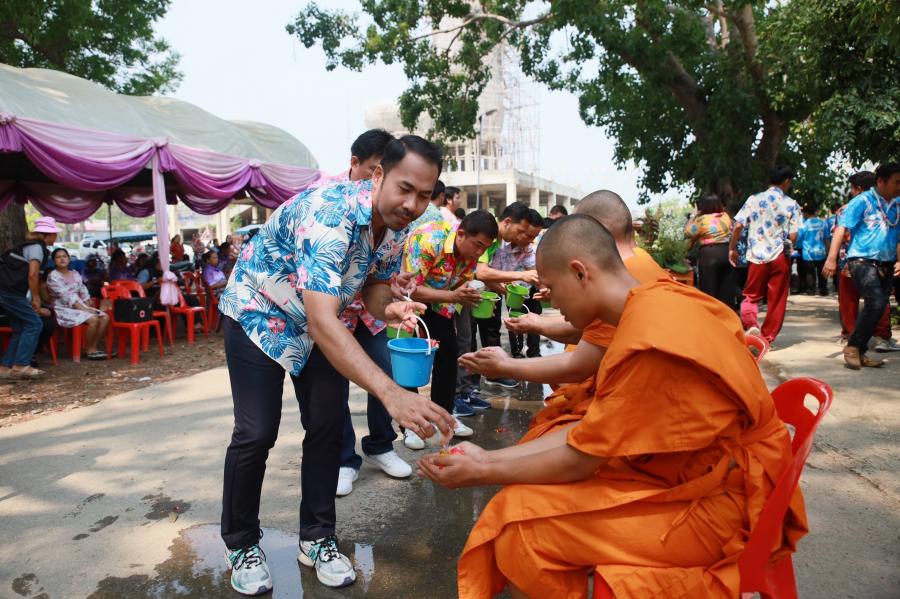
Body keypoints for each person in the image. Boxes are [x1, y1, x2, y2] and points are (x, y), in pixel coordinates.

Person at [420, 215, 806, 599]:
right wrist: (487, 459)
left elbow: (582, 457)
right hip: (690, 470)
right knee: (522, 495)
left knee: (520, 531)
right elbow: (592, 432)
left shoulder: (651, 336)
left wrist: (483, 470)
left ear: (580, 272)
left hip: (727, 507)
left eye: (553, 287)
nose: (551, 300)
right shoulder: (651, 304)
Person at [217, 135, 455, 594]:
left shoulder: (397, 225)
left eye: (424, 195)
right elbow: (323, 321)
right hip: (258, 311)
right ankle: (241, 543)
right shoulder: (330, 213)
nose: (412, 204)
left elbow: (374, 286)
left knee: (327, 428)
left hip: (319, 323)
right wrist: (391, 394)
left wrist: (390, 307)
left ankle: (317, 538)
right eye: (405, 188)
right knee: (256, 432)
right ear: (378, 175)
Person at [467, 190, 668, 427]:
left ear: (593, 234)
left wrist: (505, 365)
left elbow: (578, 364)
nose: (554, 303)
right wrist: (537, 324)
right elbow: (590, 333)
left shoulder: (626, 276)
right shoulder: (638, 265)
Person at [401, 210, 499, 449]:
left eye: (484, 248)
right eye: (477, 245)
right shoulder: (428, 241)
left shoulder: (470, 252)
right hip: (404, 302)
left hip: (439, 302)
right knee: (411, 362)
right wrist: (453, 296)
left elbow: (459, 284)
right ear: (461, 234)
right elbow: (411, 289)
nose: (479, 253)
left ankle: (443, 417)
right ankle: (412, 424)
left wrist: (471, 297)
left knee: (448, 354)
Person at [823, 162, 900, 369]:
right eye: (896, 182)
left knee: (879, 306)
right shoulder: (862, 201)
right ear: (881, 181)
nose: (899, 187)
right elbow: (841, 229)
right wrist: (831, 259)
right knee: (876, 301)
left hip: (887, 262)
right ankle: (853, 346)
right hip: (861, 260)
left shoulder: (898, 204)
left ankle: (860, 350)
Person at [468, 202, 543, 390]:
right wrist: (520, 276)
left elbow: (486, 275)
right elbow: (481, 273)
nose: (524, 238)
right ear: (507, 222)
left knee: (490, 331)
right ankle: (467, 383)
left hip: (486, 291)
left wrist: (505, 290)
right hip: (467, 291)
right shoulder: (490, 234)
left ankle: (491, 374)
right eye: (522, 232)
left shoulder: (505, 241)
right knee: (467, 336)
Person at [729, 165, 802, 343]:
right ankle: (767, 338)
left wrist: (732, 248)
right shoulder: (792, 204)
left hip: (756, 255)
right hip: (780, 256)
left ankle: (751, 325)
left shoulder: (753, 199)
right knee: (777, 299)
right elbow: (793, 236)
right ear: (786, 182)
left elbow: (738, 226)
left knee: (750, 296)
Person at [0, 216, 58, 379]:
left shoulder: (29, 246)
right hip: (10, 292)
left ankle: (5, 367)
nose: (56, 236)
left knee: (20, 328)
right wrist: (36, 298)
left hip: (7, 291)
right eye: (54, 233)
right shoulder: (37, 248)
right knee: (34, 323)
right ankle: (21, 365)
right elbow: (33, 275)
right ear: (48, 235)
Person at [46, 248, 111, 359]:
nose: (62, 259)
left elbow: (82, 289)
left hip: (79, 306)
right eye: (58, 257)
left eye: (64, 256)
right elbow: (66, 296)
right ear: (54, 261)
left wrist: (87, 300)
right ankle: (89, 350)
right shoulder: (53, 276)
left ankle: (92, 347)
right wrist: (85, 309)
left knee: (105, 317)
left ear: (69, 258)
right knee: (93, 319)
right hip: (63, 309)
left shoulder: (75, 273)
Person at [684, 193, 735, 307]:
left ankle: (711, 315)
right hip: (725, 253)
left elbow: (688, 232)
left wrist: (693, 216)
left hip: (709, 255)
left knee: (709, 291)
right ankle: (727, 316)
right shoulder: (725, 216)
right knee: (726, 292)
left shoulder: (702, 220)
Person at [796, 205, 829, 296]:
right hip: (821, 252)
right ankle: (823, 290)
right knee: (822, 272)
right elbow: (826, 238)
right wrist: (828, 251)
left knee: (809, 273)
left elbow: (798, 238)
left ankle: (811, 290)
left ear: (806, 213)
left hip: (808, 253)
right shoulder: (823, 223)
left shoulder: (804, 225)